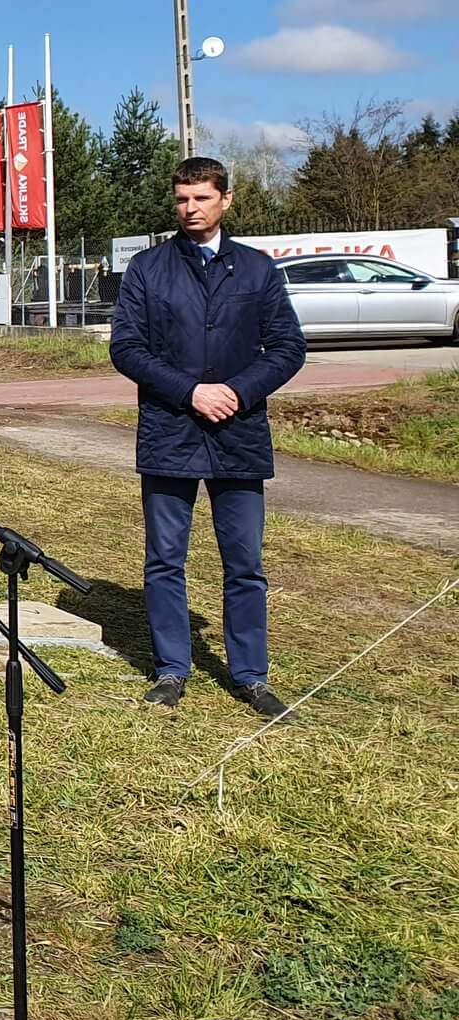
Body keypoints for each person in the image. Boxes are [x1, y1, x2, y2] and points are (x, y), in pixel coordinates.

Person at [109, 155, 306, 719]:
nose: (190, 209)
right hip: (170, 432)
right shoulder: (148, 270)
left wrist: (238, 392)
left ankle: (251, 675)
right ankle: (171, 668)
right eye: (181, 199)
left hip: (238, 435)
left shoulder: (257, 271)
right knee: (164, 558)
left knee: (243, 561)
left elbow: (288, 348)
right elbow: (127, 348)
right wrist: (190, 391)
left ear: (225, 200)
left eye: (201, 198)